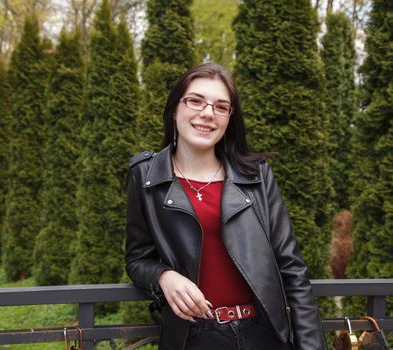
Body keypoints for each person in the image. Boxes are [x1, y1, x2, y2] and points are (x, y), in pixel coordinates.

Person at [125, 63, 327, 350]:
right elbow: (136, 259)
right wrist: (163, 276)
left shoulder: (256, 176)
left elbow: (291, 267)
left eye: (221, 107)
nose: (207, 113)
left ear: (230, 119)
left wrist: (311, 346)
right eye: (195, 101)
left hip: (264, 334)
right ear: (174, 109)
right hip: (194, 336)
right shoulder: (145, 176)